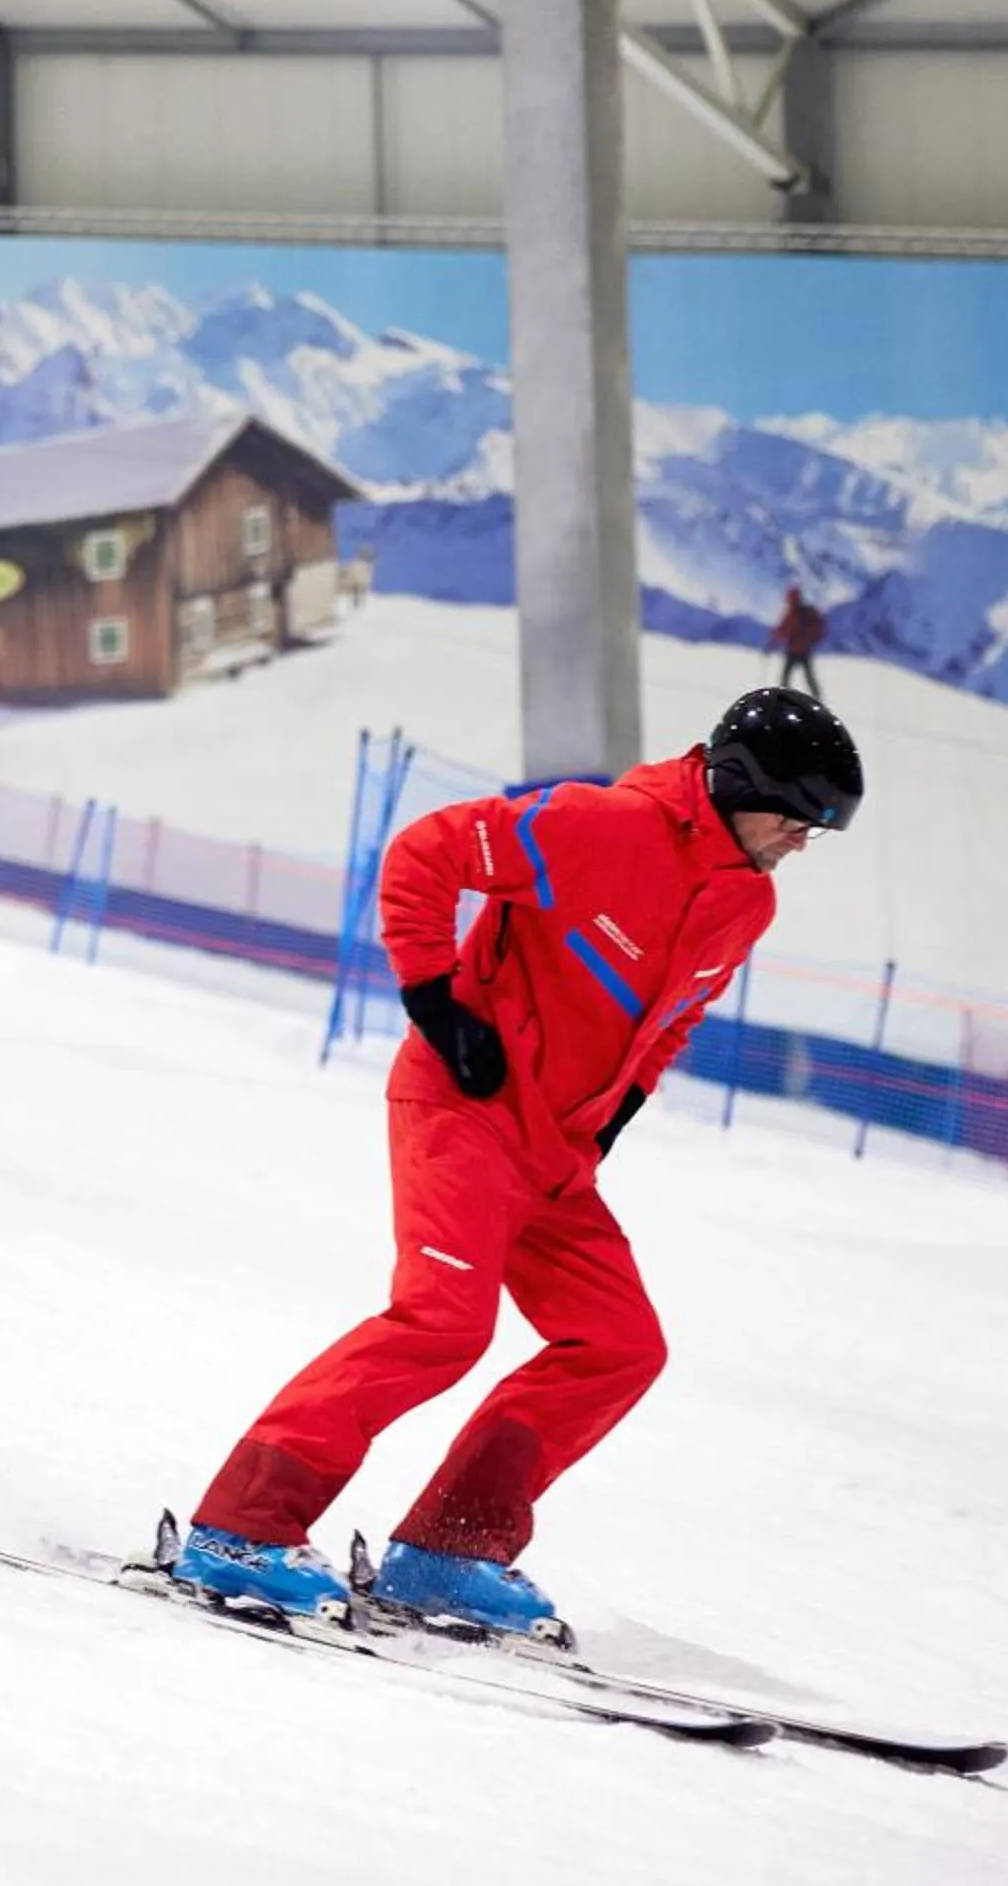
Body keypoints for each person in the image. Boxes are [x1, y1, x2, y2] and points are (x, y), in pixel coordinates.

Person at [171, 688, 864, 1633]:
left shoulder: (748, 901)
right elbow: (425, 853)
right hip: (464, 1109)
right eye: (796, 820)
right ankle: (239, 1529)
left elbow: (677, 1015)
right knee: (442, 1323)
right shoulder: (598, 824)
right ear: (742, 786)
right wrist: (435, 1001)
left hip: (555, 1153)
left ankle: (450, 1550)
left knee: (617, 1344)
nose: (800, 844)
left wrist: (617, 1111)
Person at [770, 585, 826, 700]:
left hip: (793, 650)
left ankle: (783, 697)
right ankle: (817, 697)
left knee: (786, 676)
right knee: (808, 676)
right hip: (805, 650)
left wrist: (773, 639)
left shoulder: (793, 612)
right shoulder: (805, 612)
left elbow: (783, 629)